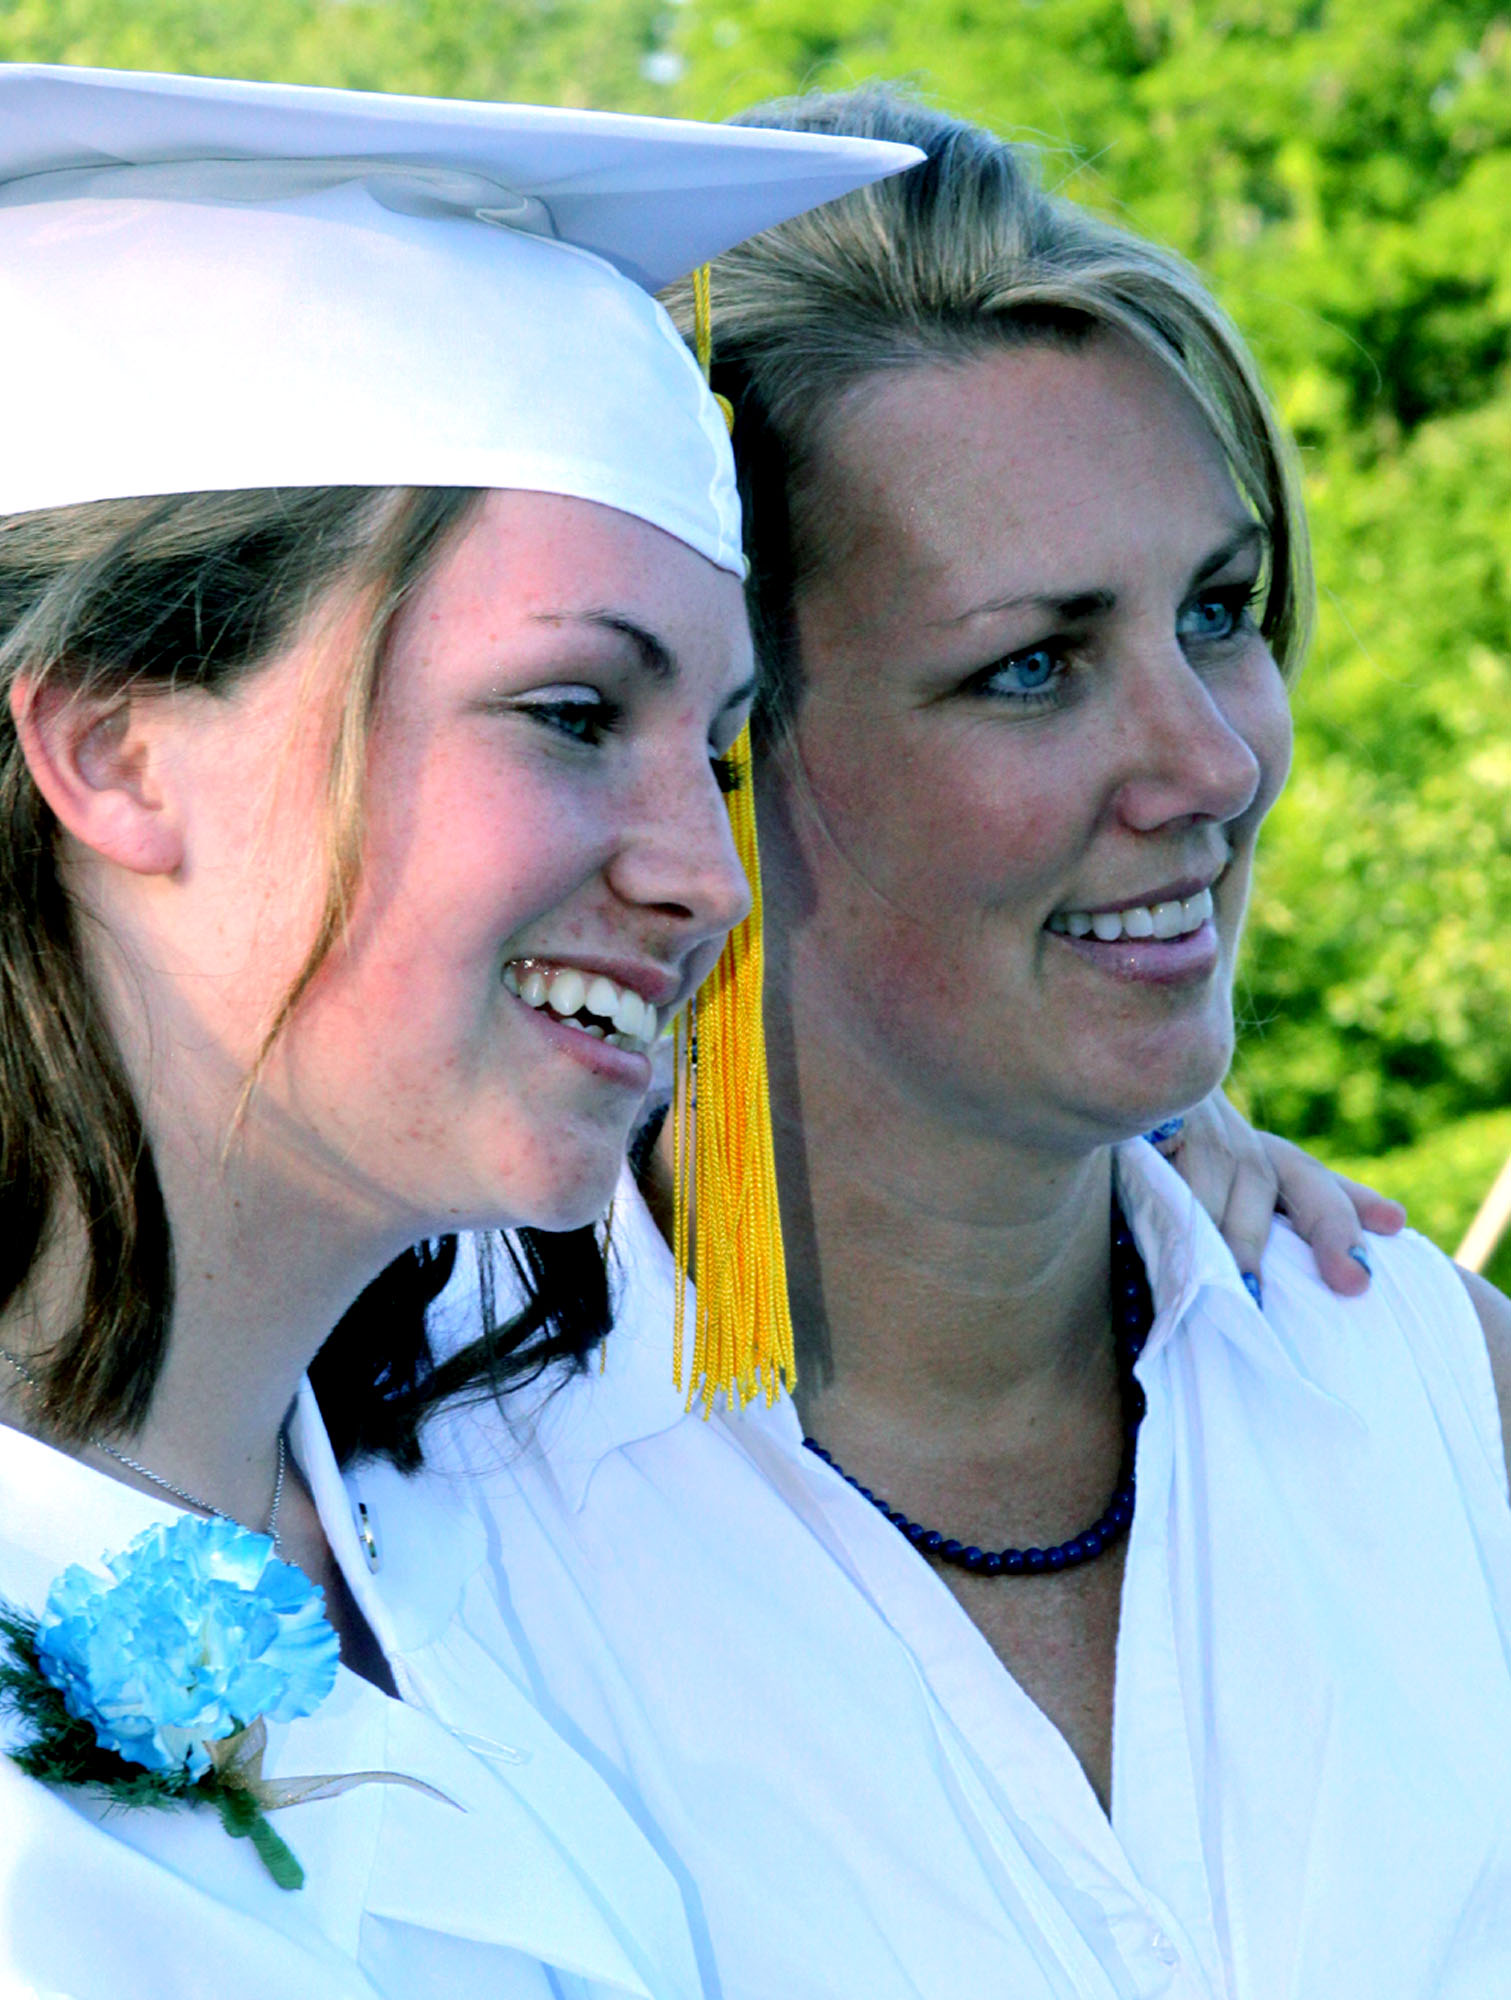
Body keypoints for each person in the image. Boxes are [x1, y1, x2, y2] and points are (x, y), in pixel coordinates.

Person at [0, 59, 915, 1999]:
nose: (711, 875)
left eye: (721, 748)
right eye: (574, 714)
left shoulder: (430, 1498)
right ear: (114, 746)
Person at [346, 87, 1511, 2000]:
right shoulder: (375, 1517)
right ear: (708, 749)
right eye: (1032, 665)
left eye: (1221, 613)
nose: (1214, 764)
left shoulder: (1429, 1395)